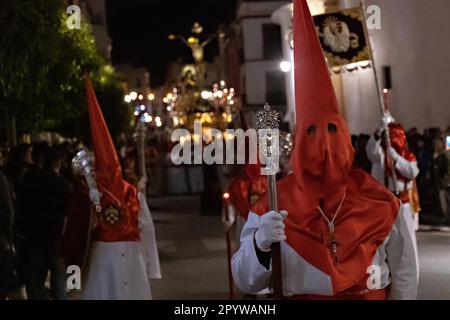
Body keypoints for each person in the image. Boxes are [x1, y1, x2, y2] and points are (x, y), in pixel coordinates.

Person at [231, 0, 417, 300]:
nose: (324, 144)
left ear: (345, 139)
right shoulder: (272, 205)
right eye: (312, 132)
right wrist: (260, 245)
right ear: (300, 142)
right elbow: (245, 280)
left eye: (332, 130)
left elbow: (405, 270)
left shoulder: (381, 202)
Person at [64, 77, 157, 300]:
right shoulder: (130, 193)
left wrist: (72, 284)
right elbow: (146, 228)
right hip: (118, 261)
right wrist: (152, 267)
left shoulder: (85, 196)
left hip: (107, 262)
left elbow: (72, 243)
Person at [430, 137, 449, 222]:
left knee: (445, 199)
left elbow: (445, 169)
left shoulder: (444, 155)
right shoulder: (436, 154)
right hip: (438, 182)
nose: (436, 145)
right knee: (441, 199)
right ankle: (444, 215)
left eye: (438, 143)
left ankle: (447, 216)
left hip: (443, 182)